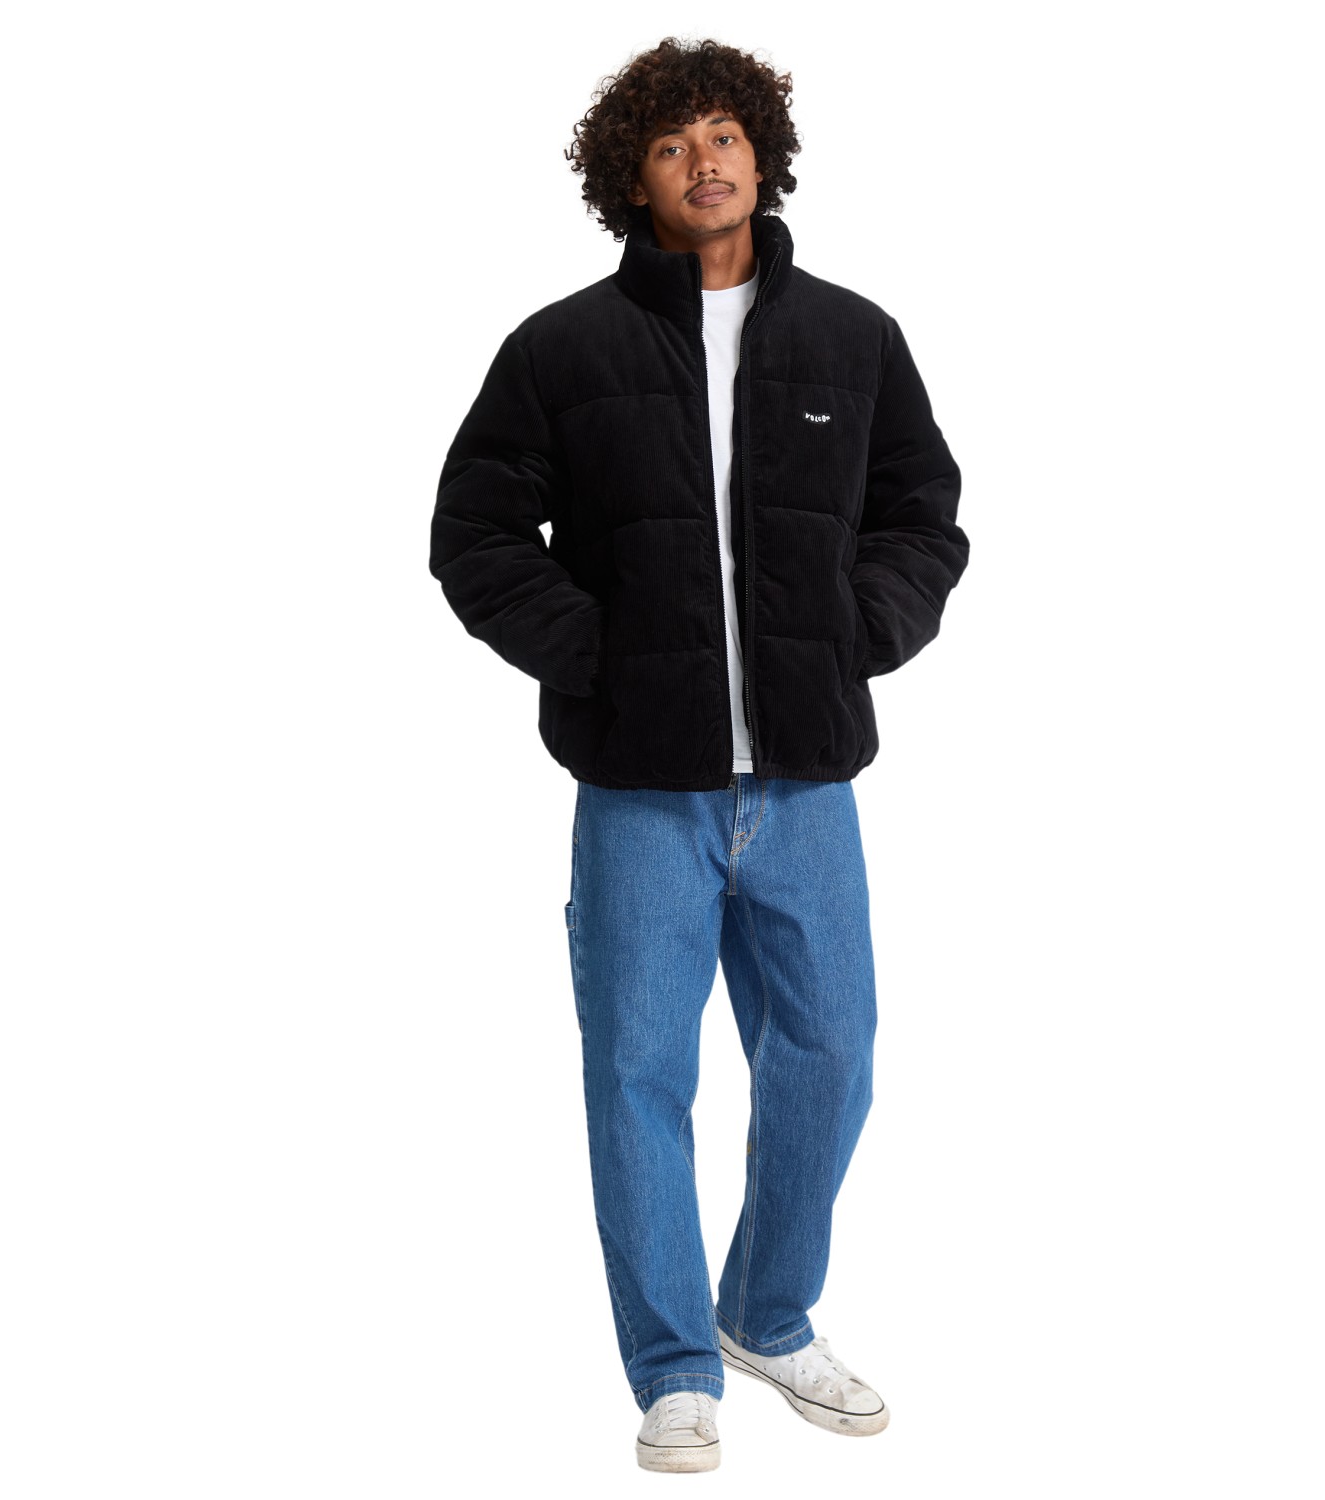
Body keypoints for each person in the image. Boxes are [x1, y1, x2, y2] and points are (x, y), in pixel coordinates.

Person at [429, 36, 968, 1473]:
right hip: (638, 787)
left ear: (762, 153)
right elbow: (475, 532)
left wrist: (860, 628)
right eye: (671, 145)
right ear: (634, 178)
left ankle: (766, 1313)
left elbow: (923, 511)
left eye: (723, 134)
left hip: (805, 780)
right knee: (638, 1078)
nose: (704, 161)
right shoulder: (562, 350)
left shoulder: (853, 337)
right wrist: (597, 655)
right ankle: (674, 1367)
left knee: (833, 1055)